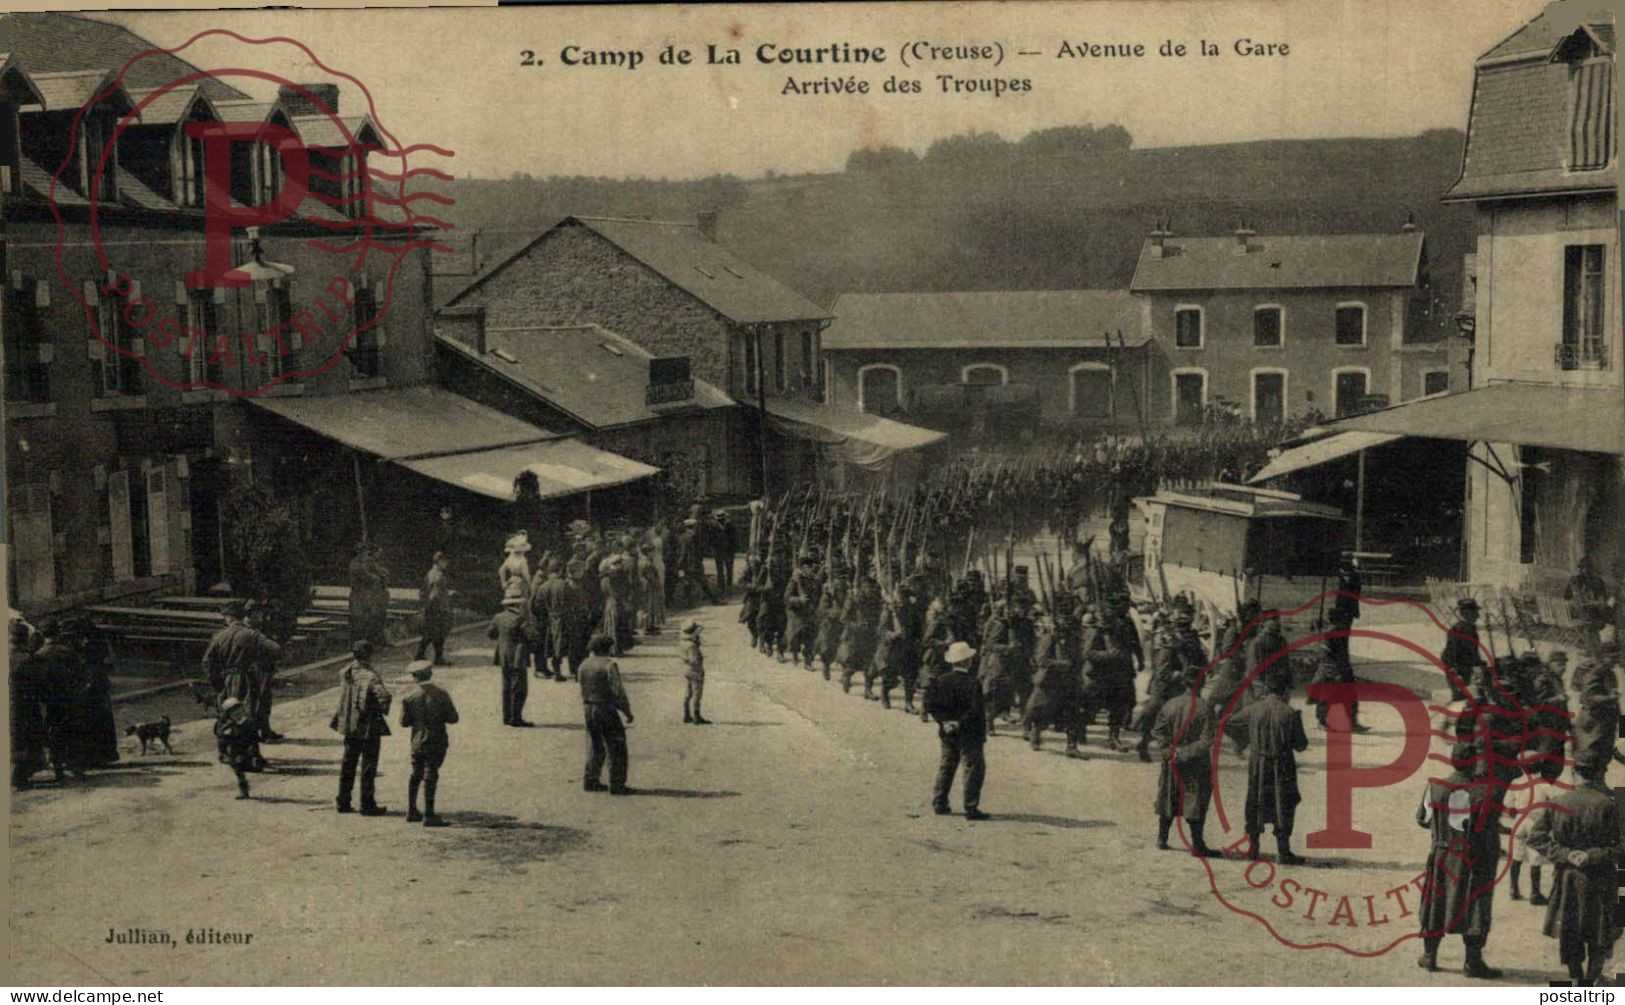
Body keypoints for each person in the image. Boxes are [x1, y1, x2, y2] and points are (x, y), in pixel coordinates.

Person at [1526, 750, 1624, 983]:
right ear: (1599, 774)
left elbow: (1535, 838)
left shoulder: (1557, 802)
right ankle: (1591, 980)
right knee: (1600, 931)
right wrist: (1593, 855)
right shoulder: (1611, 805)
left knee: (1570, 928)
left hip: (1568, 876)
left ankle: (1575, 976)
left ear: (1574, 773)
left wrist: (1565, 854)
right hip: (1601, 878)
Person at [1415, 738, 1505, 979]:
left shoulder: (1434, 786)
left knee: (1436, 902)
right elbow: (1490, 825)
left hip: (1443, 852)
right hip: (1475, 855)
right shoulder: (1487, 790)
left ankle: (1430, 956)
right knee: (1475, 904)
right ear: (1474, 762)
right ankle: (1472, 962)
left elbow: (1422, 819)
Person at [1231, 673, 1310, 864]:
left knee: (1255, 802)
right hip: (1282, 765)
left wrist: (1245, 741)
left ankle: (1253, 849)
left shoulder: (1253, 709)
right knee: (1284, 804)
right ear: (1284, 691)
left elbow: (1229, 723)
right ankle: (1283, 852)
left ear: (1267, 690)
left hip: (1258, 763)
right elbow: (1301, 745)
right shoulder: (1290, 713)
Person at [1153, 686, 1220, 857]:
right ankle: (1197, 844)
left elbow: (1158, 731)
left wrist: (1169, 752)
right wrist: (1185, 753)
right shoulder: (1205, 708)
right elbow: (1206, 740)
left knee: (1168, 795)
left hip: (1172, 761)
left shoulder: (1170, 704)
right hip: (1196, 763)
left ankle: (1162, 838)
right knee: (1196, 801)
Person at [926, 641, 989, 821]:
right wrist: (959, 723)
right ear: (967, 661)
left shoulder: (941, 681)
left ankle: (939, 802)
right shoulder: (973, 683)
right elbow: (975, 710)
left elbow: (931, 705)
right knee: (972, 769)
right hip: (970, 735)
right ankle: (970, 807)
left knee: (946, 767)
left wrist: (945, 722)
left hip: (948, 733)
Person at [330, 640, 392, 816]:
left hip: (350, 724)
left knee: (348, 763)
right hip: (368, 726)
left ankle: (343, 801)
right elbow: (384, 697)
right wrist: (381, 711)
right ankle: (367, 804)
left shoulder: (346, 672)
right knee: (368, 765)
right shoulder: (371, 675)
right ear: (369, 655)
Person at [399, 660, 459, 827]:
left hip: (417, 740)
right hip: (436, 739)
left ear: (414, 677)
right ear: (430, 674)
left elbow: (403, 723)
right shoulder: (441, 694)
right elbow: (453, 718)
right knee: (431, 772)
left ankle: (411, 810)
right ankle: (429, 814)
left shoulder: (409, 697)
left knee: (415, 772)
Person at [579, 633, 634, 794]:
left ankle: (590, 780)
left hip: (588, 707)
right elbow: (618, 692)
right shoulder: (609, 665)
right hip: (606, 708)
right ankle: (617, 784)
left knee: (594, 744)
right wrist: (627, 711)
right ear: (607, 648)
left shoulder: (583, 664)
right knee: (616, 745)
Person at [243, 601, 286, 743]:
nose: (262, 615)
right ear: (251, 614)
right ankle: (255, 732)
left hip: (263, 668)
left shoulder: (258, 627)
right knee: (256, 701)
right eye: (259, 612)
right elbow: (273, 647)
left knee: (265, 700)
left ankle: (265, 729)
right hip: (254, 669)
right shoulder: (248, 629)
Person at [490, 589, 533, 727]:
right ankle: (516, 717)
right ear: (519, 605)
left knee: (506, 686)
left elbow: (490, 633)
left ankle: (506, 716)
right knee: (519, 687)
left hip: (503, 655)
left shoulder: (498, 617)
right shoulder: (521, 618)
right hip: (518, 657)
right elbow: (531, 636)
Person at [1566, 555, 1615, 655]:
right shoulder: (1575, 581)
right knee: (1591, 620)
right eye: (1584, 568)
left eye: (1589, 568)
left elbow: (1601, 599)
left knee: (1593, 619)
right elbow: (1567, 597)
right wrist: (1577, 602)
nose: (1586, 571)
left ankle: (1593, 649)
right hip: (1579, 613)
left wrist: (1597, 603)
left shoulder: (1597, 581)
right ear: (1580, 569)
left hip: (1593, 611)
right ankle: (1594, 649)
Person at [1441, 598, 1486, 703]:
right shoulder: (1458, 630)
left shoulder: (1470, 629)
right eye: (1474, 612)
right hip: (1457, 669)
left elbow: (1473, 650)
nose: (1477, 615)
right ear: (1465, 613)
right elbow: (1451, 652)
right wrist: (1455, 671)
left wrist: (1480, 664)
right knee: (1459, 700)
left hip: (1465, 668)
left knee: (1466, 697)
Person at [347, 541, 390, 647]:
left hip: (362, 595)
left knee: (362, 620)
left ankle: (363, 643)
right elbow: (370, 578)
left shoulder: (360, 564)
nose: (366, 555)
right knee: (358, 620)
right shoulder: (357, 565)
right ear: (361, 553)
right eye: (365, 553)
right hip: (358, 595)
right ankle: (356, 644)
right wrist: (376, 577)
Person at [214, 696, 257, 800]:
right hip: (233, 749)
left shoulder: (247, 722)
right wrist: (226, 731)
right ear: (228, 715)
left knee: (244, 766)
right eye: (234, 713)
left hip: (245, 747)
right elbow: (219, 735)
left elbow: (253, 736)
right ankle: (244, 790)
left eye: (239, 711)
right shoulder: (226, 724)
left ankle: (244, 787)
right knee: (238, 770)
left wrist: (252, 749)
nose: (238, 715)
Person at [417, 552, 455, 665]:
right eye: (445, 561)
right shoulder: (437, 575)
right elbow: (436, 594)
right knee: (435, 633)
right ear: (439, 561)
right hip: (437, 607)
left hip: (432, 606)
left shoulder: (432, 573)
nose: (446, 564)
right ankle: (422, 655)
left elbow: (423, 592)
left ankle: (430, 656)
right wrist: (441, 607)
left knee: (433, 633)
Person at [679, 619, 710, 725]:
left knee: (688, 693)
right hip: (695, 671)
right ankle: (696, 716)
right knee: (697, 694)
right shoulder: (692, 646)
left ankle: (686, 714)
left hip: (686, 670)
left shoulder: (683, 643)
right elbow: (694, 660)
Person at [711, 509, 736, 596]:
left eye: (722, 518)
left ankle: (729, 586)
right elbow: (711, 539)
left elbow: (734, 538)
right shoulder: (714, 527)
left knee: (729, 569)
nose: (721, 520)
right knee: (720, 569)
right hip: (718, 550)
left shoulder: (730, 526)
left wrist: (733, 548)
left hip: (728, 550)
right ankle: (721, 587)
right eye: (719, 519)